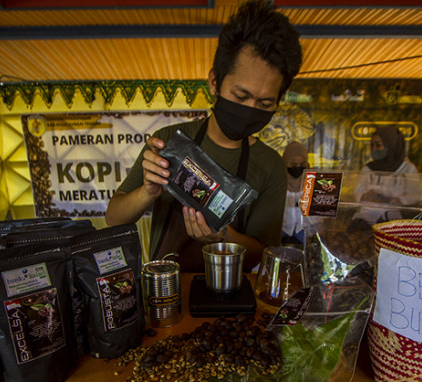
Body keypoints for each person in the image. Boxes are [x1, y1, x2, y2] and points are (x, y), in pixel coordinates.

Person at [105, 0, 302, 272]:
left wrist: (222, 235)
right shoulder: (169, 141)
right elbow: (114, 219)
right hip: (166, 291)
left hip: (232, 295)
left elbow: (262, 254)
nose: (249, 111)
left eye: (265, 104)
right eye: (240, 96)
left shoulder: (270, 165)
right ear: (214, 82)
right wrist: (148, 192)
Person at [353, 125, 422, 225]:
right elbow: (357, 192)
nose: (374, 149)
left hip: (397, 221)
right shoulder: (368, 169)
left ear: (391, 145)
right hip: (367, 218)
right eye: (372, 145)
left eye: (378, 145)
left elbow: (415, 195)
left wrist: (398, 200)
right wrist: (364, 196)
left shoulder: (407, 169)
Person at [281, 141, 309, 245]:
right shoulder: (277, 180)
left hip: (303, 228)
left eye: (302, 164)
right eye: (293, 164)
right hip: (280, 228)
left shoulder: (312, 180)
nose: (297, 167)